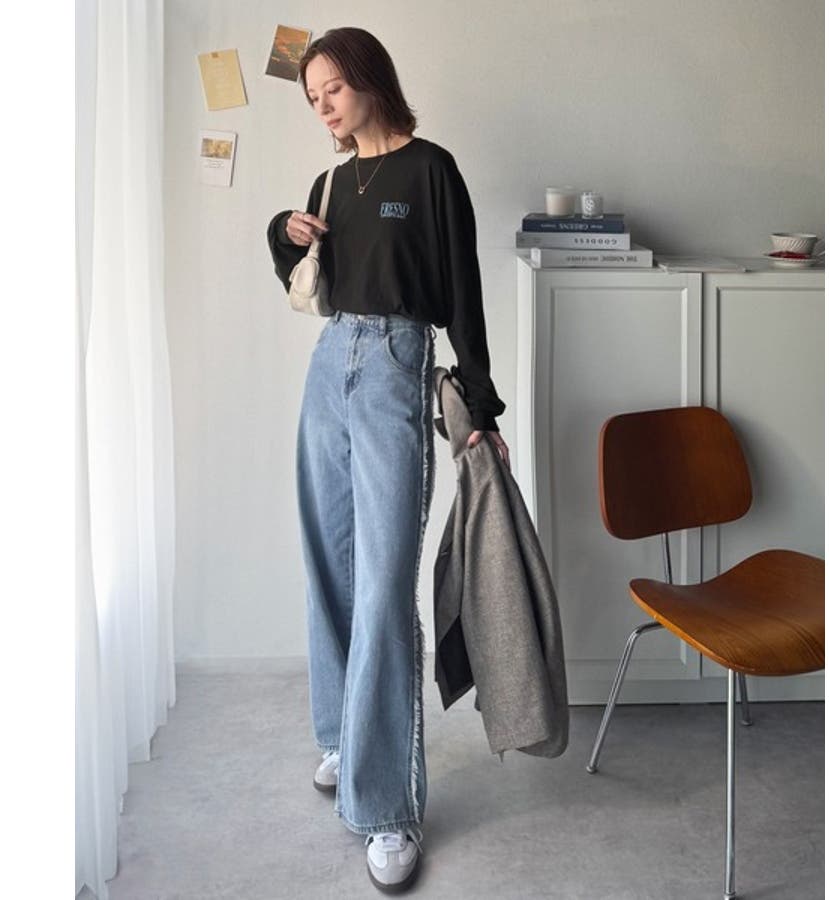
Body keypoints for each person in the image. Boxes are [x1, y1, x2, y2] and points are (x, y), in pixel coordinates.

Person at [266, 26, 508, 893]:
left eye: (333, 87)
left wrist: (478, 404)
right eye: (312, 96)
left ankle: (389, 807)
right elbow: (306, 280)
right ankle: (343, 735)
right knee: (328, 563)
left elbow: (463, 293)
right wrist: (282, 231)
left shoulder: (431, 171)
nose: (323, 105)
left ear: (370, 78)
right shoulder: (331, 181)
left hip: (398, 369)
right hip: (330, 363)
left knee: (382, 584)